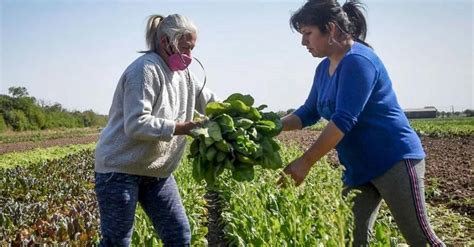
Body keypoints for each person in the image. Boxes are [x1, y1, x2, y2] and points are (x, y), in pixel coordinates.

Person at [278, 0, 445, 246]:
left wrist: (305, 162)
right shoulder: (323, 69)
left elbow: (343, 120)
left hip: (394, 160)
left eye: (307, 33)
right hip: (358, 170)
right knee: (351, 240)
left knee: (420, 238)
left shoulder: (359, 61)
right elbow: (308, 112)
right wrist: (270, 125)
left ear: (331, 29)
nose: (303, 42)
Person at [94, 14, 217, 246]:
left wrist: (238, 115)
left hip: (157, 173)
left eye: (192, 49)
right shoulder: (144, 70)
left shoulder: (186, 75)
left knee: (179, 236)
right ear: (165, 42)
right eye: (185, 48)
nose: (190, 56)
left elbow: (211, 101)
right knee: (117, 242)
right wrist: (183, 128)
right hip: (119, 170)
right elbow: (136, 123)